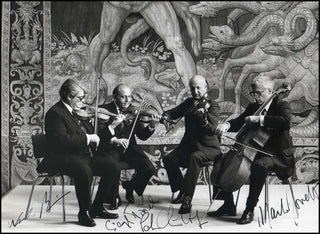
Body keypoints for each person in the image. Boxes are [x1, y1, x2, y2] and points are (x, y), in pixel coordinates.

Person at [207, 75, 294, 224]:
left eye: (258, 93)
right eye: (253, 93)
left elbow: (286, 122)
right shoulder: (253, 107)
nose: (255, 97)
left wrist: (260, 120)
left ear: (269, 91)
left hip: (278, 155)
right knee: (219, 158)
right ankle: (228, 204)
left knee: (259, 165)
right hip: (256, 151)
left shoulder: (281, 105)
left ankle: (249, 209)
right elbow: (240, 120)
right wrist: (226, 125)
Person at [43, 79, 119, 227]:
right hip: (62, 158)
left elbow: (93, 134)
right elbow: (61, 141)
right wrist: (87, 138)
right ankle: (84, 212)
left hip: (81, 156)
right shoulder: (55, 113)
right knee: (84, 170)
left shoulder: (76, 112)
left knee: (113, 167)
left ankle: (97, 207)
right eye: (80, 98)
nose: (83, 102)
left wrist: (109, 127)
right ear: (69, 97)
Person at [161, 75, 221, 214]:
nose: (195, 91)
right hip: (189, 147)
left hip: (209, 148)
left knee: (195, 157)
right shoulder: (189, 103)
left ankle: (187, 200)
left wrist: (203, 119)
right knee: (168, 159)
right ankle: (182, 190)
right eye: (192, 88)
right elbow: (173, 112)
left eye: (198, 88)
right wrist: (166, 116)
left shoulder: (213, 105)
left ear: (205, 87)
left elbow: (212, 130)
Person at [96, 84, 159, 208]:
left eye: (129, 97)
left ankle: (130, 185)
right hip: (111, 149)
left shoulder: (133, 112)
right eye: (123, 97)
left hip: (129, 150)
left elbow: (142, 135)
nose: (127, 100)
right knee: (114, 167)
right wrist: (115, 137)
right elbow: (100, 135)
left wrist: (152, 125)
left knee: (149, 168)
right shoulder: (104, 110)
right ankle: (112, 196)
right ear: (115, 97)